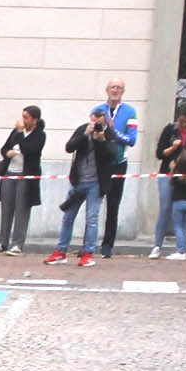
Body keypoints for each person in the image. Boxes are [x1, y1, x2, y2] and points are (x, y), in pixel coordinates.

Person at [44, 106, 118, 266]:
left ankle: (88, 252)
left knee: (92, 218)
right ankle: (61, 251)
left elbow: (112, 156)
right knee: (68, 217)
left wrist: (101, 140)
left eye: (100, 118)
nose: (96, 122)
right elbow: (69, 147)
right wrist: (85, 134)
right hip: (78, 181)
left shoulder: (110, 133)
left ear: (105, 119)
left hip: (96, 183)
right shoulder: (82, 130)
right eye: (94, 118)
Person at [0, 106, 44, 255]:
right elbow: (4, 148)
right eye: (23, 116)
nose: (23, 120)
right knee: (6, 208)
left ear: (34, 120)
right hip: (10, 173)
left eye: (26, 117)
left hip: (25, 176)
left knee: (22, 209)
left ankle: (17, 243)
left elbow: (29, 149)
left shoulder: (39, 135)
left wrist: (21, 133)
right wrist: (7, 153)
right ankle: (2, 242)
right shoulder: (15, 132)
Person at [151, 102, 186, 258]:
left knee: (181, 210)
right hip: (168, 174)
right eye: (181, 120)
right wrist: (172, 148)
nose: (184, 124)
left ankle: (182, 248)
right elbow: (159, 153)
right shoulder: (170, 129)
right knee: (165, 209)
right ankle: (157, 245)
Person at [99, 77, 138, 257]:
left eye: (119, 88)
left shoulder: (130, 112)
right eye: (113, 87)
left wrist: (113, 132)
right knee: (92, 203)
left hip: (118, 164)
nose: (115, 90)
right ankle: (88, 244)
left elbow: (132, 140)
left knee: (113, 206)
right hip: (100, 163)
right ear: (107, 90)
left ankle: (108, 245)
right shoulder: (98, 110)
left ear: (123, 92)